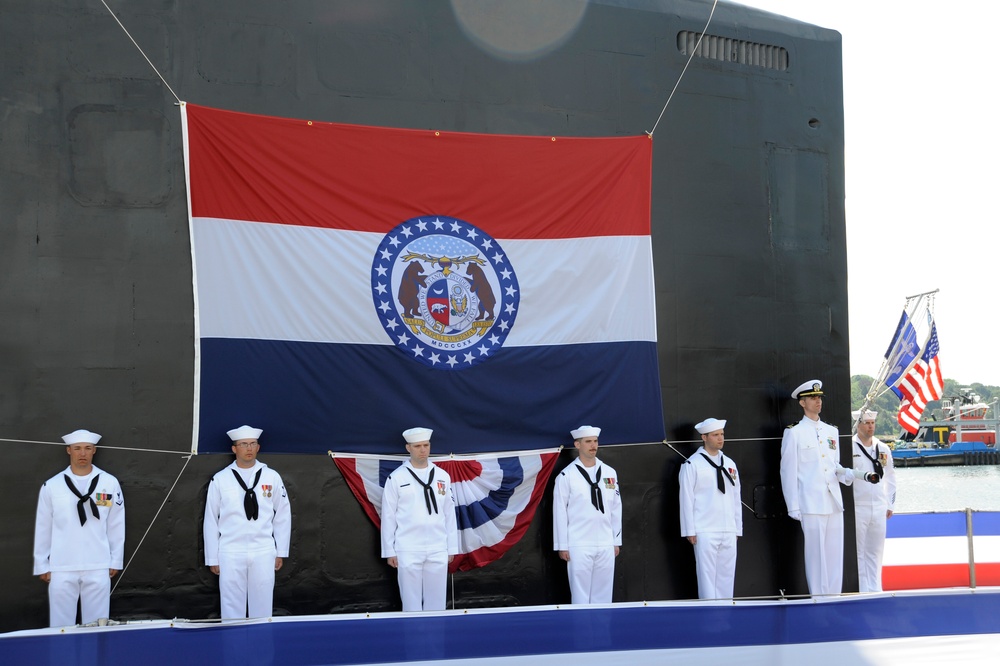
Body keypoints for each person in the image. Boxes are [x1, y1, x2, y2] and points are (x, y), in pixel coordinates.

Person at [33, 429, 125, 627]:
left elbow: (116, 524)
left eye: (87, 448)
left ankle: (94, 658)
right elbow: (43, 526)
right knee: (60, 626)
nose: (82, 453)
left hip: (98, 563)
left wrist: (115, 559)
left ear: (94, 451)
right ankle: (62, 658)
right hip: (62, 565)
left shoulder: (109, 483)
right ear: (69, 451)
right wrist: (42, 563)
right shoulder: (53, 485)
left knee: (97, 624)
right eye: (77, 448)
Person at [204, 425, 291, 619]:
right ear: (234, 449)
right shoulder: (221, 479)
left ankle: (261, 647)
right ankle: (233, 647)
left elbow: (283, 515)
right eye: (243, 444)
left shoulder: (271, 477)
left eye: (253, 444)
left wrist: (281, 551)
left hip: (263, 550)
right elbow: (211, 519)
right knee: (231, 606)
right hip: (230, 550)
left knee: (262, 606)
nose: (249, 448)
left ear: (258, 447)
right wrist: (212, 557)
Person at [779, 380, 854, 596]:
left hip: (833, 500)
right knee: (816, 556)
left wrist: (845, 474)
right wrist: (793, 505)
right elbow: (788, 471)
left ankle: (834, 598)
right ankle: (819, 599)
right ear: (802, 402)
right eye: (813, 398)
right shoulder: (794, 432)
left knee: (834, 554)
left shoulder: (831, 431)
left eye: (819, 397)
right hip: (810, 502)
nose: (818, 401)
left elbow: (833, 465)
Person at [380, 427, 458, 611]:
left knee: (437, 602)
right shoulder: (397, 478)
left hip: (437, 545)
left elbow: (449, 513)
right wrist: (389, 550)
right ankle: (413, 637)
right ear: (408, 448)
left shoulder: (442, 476)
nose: (423, 450)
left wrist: (452, 547)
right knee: (410, 601)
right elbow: (388, 515)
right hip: (408, 547)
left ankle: (436, 638)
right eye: (417, 446)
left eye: (426, 445)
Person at [553, 425, 622, 604]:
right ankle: (581, 631)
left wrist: (616, 540)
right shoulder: (566, 475)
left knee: (604, 596)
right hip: (579, 543)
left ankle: (602, 631)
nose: (593, 445)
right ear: (578, 444)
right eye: (588, 442)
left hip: (606, 542)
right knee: (580, 596)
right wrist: (563, 545)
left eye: (595, 441)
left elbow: (616, 507)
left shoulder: (609, 472)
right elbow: (560, 511)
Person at [679, 418, 742, 599]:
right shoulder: (693, 464)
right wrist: (689, 530)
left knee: (727, 576)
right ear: (704, 437)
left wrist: (737, 527)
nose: (720, 438)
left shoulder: (730, 464)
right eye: (715, 435)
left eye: (721, 434)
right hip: (705, 528)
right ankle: (709, 618)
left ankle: (725, 616)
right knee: (707, 578)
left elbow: (736, 497)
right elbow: (686, 499)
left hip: (728, 528)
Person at [851, 409, 896, 593]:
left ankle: (875, 588)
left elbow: (891, 478)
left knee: (875, 552)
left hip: (878, 506)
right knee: (858, 552)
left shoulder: (882, 448)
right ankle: (862, 590)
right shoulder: (850, 447)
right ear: (859, 424)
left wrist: (890, 504)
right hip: (857, 505)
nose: (871, 426)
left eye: (872, 423)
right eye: (867, 423)